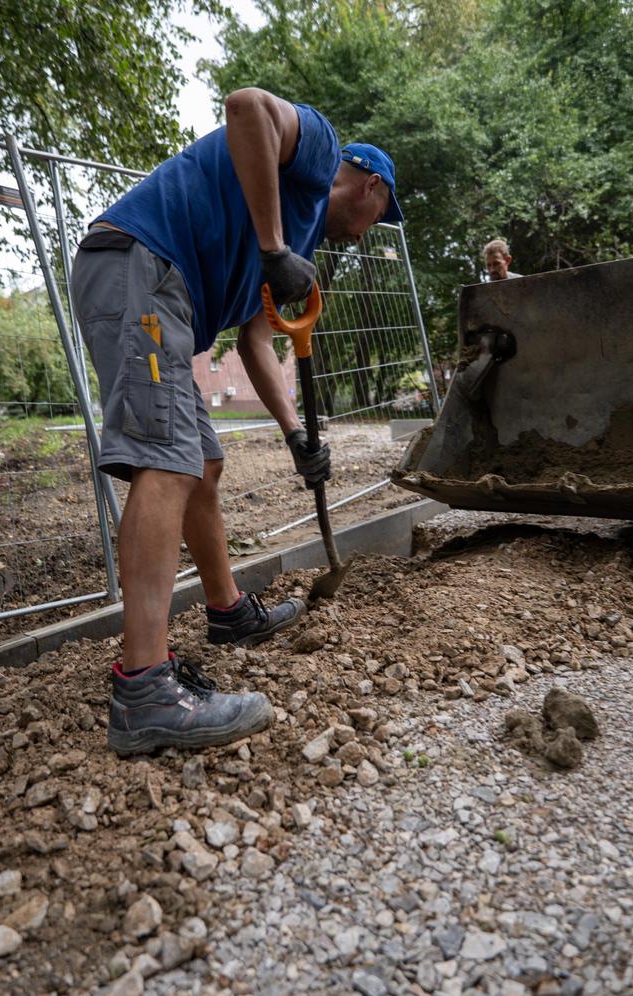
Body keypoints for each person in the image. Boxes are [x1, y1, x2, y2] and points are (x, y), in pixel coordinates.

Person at [71, 87, 403, 757]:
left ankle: (227, 613)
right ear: (370, 188)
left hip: (167, 300)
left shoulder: (298, 233)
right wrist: (276, 246)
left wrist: (294, 434)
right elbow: (246, 105)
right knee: (166, 460)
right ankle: (144, 691)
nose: (367, 234)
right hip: (140, 267)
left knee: (203, 462)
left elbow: (257, 341)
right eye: (378, 218)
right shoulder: (316, 151)